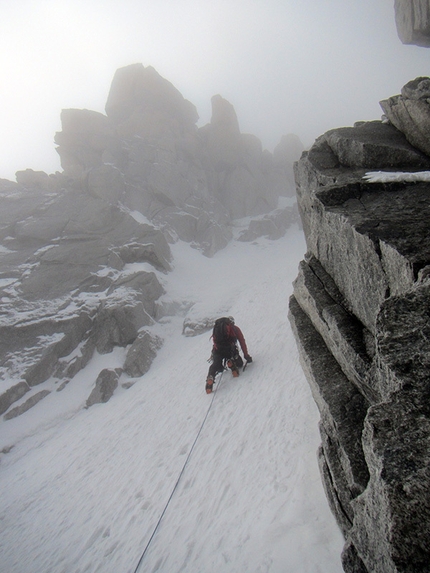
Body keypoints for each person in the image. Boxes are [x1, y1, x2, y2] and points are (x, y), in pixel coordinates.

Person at [205, 316, 252, 394]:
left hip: (217, 350)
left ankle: (211, 376)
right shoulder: (235, 329)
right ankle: (232, 363)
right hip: (230, 350)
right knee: (240, 364)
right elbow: (242, 342)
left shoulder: (217, 329)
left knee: (216, 365)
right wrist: (246, 356)